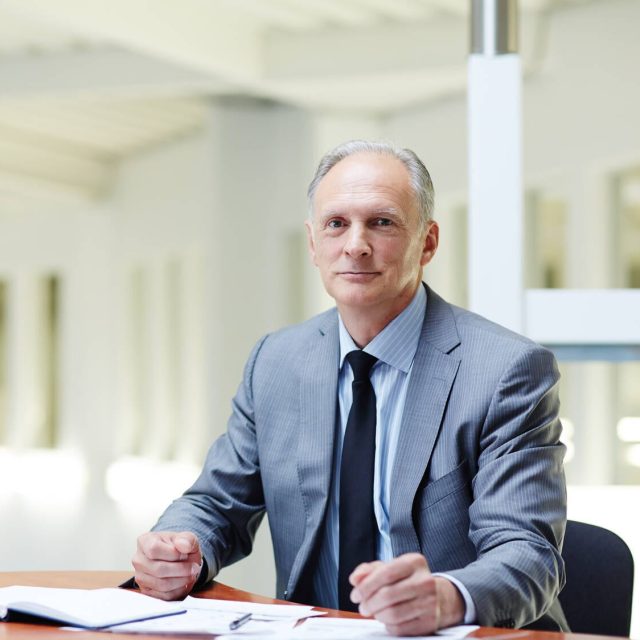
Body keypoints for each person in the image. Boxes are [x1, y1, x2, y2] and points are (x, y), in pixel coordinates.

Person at [132, 140, 568, 636]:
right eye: (336, 224)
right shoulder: (276, 362)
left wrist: (447, 598)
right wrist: (180, 546)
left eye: (381, 223)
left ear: (427, 242)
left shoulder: (505, 371)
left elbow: (527, 552)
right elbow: (216, 503)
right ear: (314, 244)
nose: (355, 244)